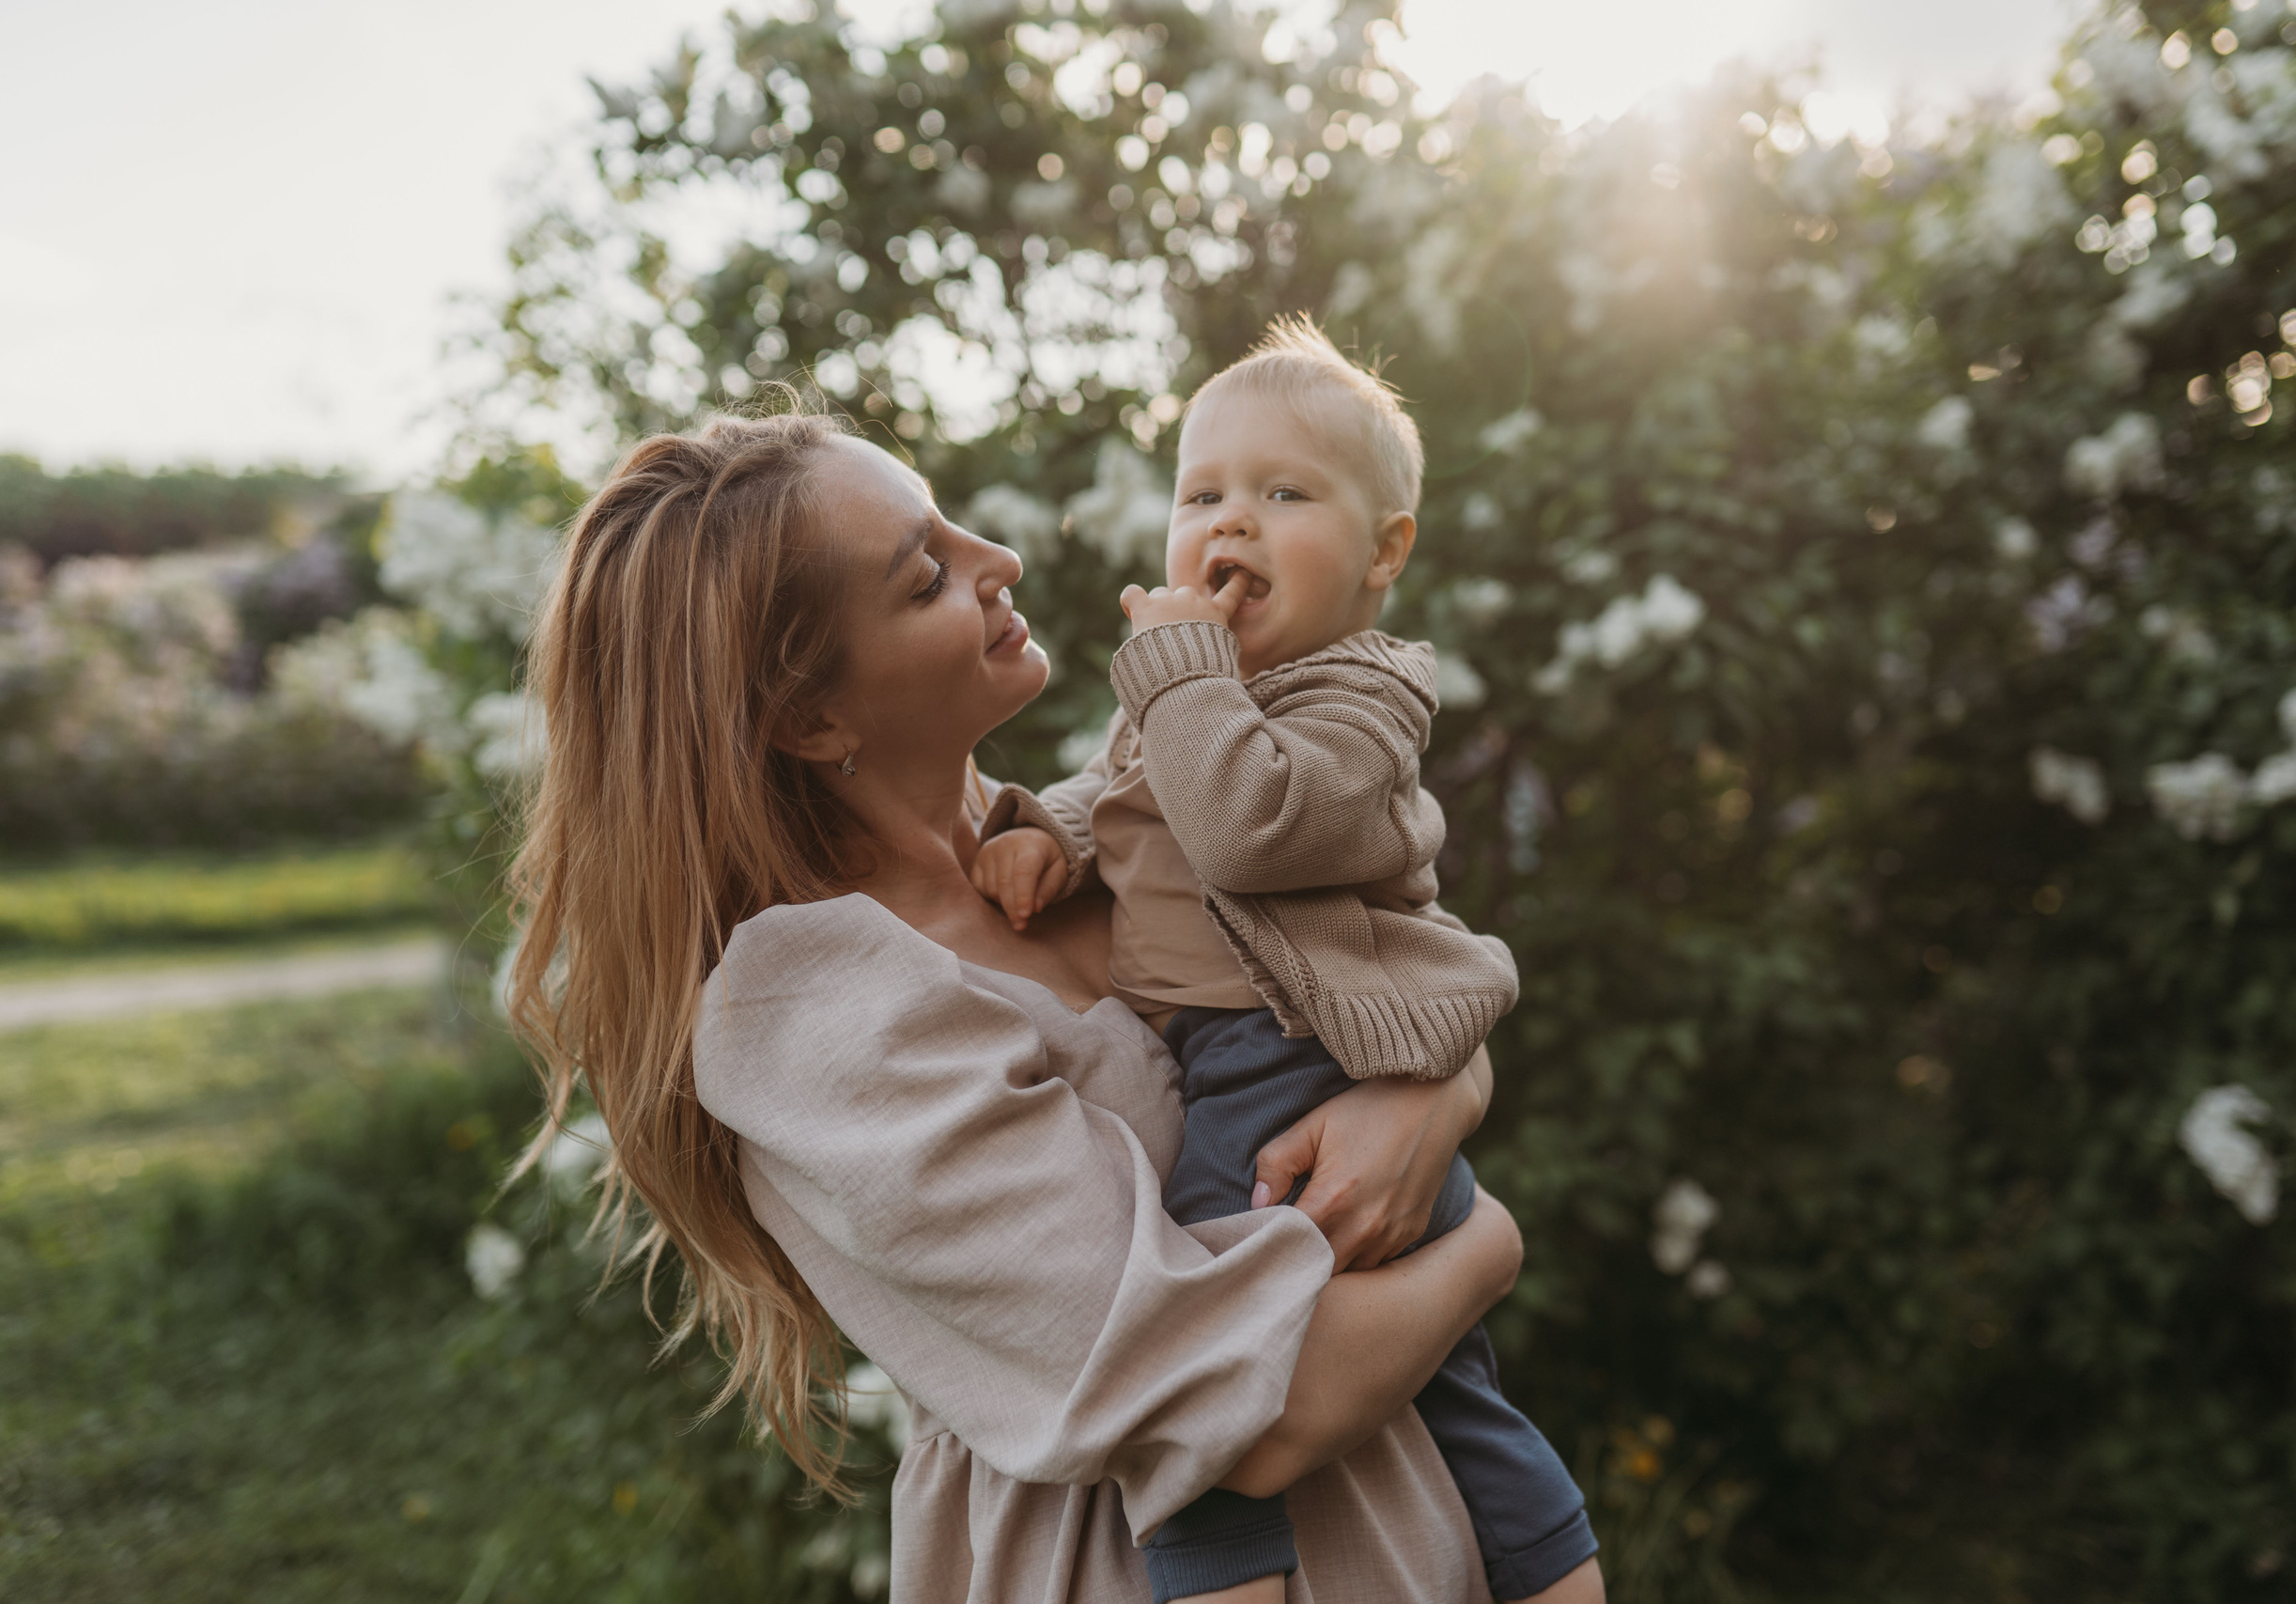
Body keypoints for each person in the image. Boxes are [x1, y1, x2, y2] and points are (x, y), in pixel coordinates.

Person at [503, 405, 1590, 1601]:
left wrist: (1434, 1094)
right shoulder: (817, 1013)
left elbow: (1384, 968)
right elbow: (1238, 1413)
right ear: (810, 718)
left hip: (1422, 1535)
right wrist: (1484, 1244)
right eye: (926, 576)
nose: (1001, 560)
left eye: (953, 523)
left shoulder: (1088, 847)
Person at [970, 320, 1599, 1604]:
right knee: (1448, 1387)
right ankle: (1552, 1571)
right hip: (1235, 1051)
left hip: (1296, 1057)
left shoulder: (1363, 695)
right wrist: (1052, 834)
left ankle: (1225, 1577)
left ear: (1384, 551)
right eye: (1202, 495)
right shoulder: (1182, 697)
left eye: (1286, 493)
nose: (1233, 522)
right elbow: (1119, 789)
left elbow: (1252, 826)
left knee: (1201, 1339)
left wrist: (1178, 676)